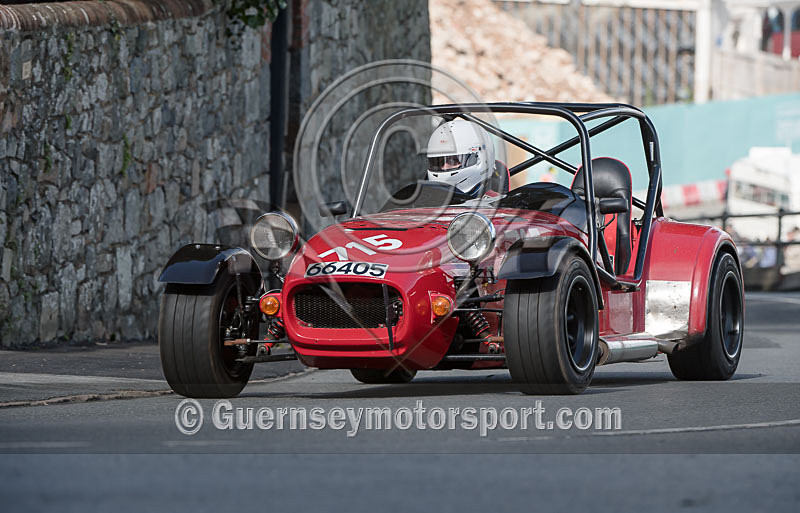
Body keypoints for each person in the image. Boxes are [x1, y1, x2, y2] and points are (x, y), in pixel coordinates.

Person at [426, 119, 498, 197]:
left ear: (482, 159)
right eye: (437, 162)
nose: (444, 167)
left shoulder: (498, 206)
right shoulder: (423, 203)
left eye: (453, 161)